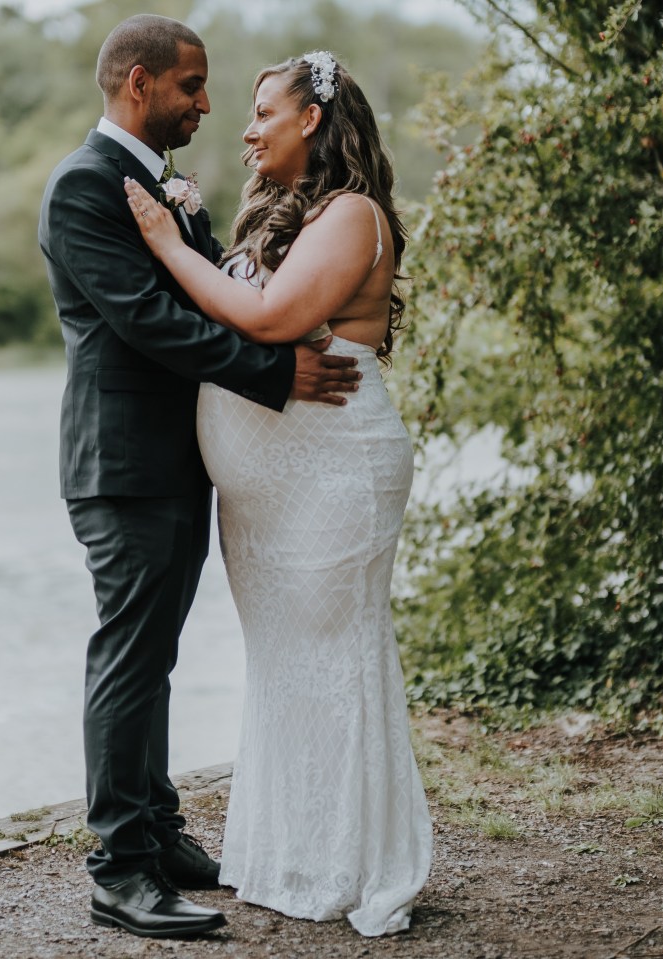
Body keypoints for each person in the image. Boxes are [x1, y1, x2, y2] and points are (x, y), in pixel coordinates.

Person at [38, 16, 363, 941]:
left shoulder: (159, 186)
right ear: (139, 84)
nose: (208, 105)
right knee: (129, 656)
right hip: (123, 465)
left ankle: (160, 829)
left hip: (178, 461)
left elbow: (204, 289)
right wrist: (272, 373)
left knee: (157, 658)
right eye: (193, 86)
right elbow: (148, 319)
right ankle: (119, 869)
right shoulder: (83, 187)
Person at [124, 51, 433, 937]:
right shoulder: (279, 215)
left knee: (334, 663)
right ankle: (290, 853)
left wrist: (162, 242)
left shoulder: (350, 213)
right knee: (284, 668)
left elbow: (267, 321)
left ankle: (355, 861)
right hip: (266, 498)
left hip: (334, 476)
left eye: (265, 111)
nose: (248, 127)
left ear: (312, 119)